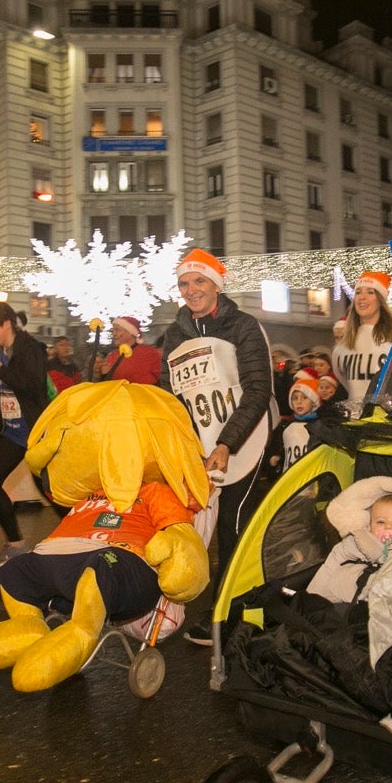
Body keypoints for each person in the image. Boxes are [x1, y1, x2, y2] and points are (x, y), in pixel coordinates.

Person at [158, 249, 276, 646]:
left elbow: (260, 389)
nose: (191, 290)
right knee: (194, 526)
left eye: (199, 281)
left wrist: (228, 442)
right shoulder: (173, 333)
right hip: (199, 445)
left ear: (216, 285)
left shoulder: (243, 325)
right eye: (184, 284)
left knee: (234, 526)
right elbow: (168, 393)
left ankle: (228, 614)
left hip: (246, 438)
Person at [0, 301, 50, 564]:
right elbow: (11, 390)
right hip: (13, 432)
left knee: (51, 492)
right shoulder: (0, 351)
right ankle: (16, 543)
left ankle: (84, 537)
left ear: (6, 323)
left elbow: (31, 387)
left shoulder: (30, 348)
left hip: (35, 430)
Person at [307, 485, 392, 604]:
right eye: (380, 522)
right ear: (370, 523)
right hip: (343, 593)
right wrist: (313, 597)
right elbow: (331, 564)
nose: (388, 526)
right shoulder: (358, 539)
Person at [331, 269, 392, 415]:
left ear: (380, 300)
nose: (362, 297)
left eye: (370, 292)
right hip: (352, 422)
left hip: (384, 422)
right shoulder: (342, 347)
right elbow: (345, 381)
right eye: (358, 292)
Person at [93, 316, 162, 385]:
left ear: (130, 332)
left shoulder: (149, 353)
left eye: (117, 330)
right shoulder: (112, 355)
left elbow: (160, 378)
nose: (113, 334)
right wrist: (104, 375)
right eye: (113, 330)